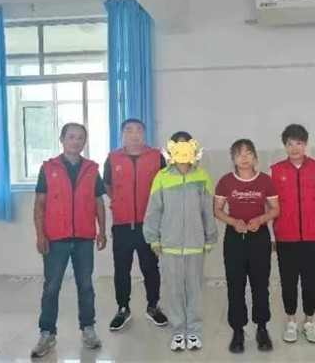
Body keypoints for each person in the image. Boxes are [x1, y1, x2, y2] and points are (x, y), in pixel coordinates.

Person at [31, 123, 107, 358]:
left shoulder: (92, 169)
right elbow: (39, 205)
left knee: (86, 286)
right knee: (51, 287)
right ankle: (47, 333)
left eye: (81, 137)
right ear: (62, 140)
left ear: (85, 141)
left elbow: (98, 202)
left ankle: (88, 329)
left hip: (84, 238)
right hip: (56, 239)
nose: (76, 141)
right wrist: (40, 234)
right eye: (71, 136)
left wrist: (102, 231)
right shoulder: (48, 168)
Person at [143, 131, 218, 352]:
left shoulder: (202, 176)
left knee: (194, 290)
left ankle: (193, 331)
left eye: (186, 146)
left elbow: (208, 211)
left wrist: (209, 237)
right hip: (170, 245)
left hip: (195, 245)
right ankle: (178, 331)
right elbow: (154, 210)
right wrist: (153, 238)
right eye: (179, 146)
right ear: (171, 150)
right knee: (174, 290)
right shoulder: (162, 177)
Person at [214, 139, 279, 353]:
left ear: (255, 157)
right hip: (235, 238)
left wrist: (260, 219)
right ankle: (238, 331)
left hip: (259, 237)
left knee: (260, 284)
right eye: (239, 154)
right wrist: (234, 222)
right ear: (233, 158)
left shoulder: (265, 181)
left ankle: (262, 328)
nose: (244, 158)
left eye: (248, 153)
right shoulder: (225, 181)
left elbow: (275, 209)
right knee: (235, 284)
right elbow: (217, 210)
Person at [103, 118, 168, 331]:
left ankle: (153, 306)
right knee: (121, 269)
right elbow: (108, 186)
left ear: (144, 134)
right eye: (129, 131)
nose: (134, 135)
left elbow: (164, 187)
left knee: (150, 267)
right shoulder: (112, 158)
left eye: (139, 130)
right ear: (122, 135)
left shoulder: (156, 157)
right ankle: (123, 308)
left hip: (148, 224)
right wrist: (120, 203)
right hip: (122, 225)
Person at [270, 124, 315, 344]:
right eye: (290, 144)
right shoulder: (276, 170)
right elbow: (270, 206)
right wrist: (273, 236)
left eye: (299, 143)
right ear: (285, 146)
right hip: (286, 236)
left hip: (313, 236)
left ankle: (309, 321)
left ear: (306, 144)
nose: (294, 148)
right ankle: (291, 321)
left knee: (311, 281)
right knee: (289, 281)